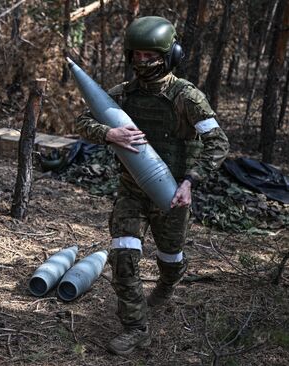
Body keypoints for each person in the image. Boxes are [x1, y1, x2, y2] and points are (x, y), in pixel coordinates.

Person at [75, 16, 229, 355]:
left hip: (173, 195)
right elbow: (82, 120)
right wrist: (108, 133)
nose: (142, 63)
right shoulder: (123, 95)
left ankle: (168, 283)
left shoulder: (186, 97)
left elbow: (218, 144)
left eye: (151, 56)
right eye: (137, 56)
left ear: (171, 54)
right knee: (123, 257)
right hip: (132, 191)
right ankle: (136, 329)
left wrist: (190, 181)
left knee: (170, 257)